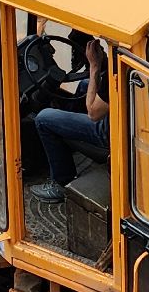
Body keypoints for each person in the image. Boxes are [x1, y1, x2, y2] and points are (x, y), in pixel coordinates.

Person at [28, 39, 108, 203]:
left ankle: (61, 182)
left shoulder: (117, 73)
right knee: (85, 85)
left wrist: (94, 65)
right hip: (125, 118)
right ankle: (67, 140)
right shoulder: (129, 59)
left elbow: (93, 112)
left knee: (44, 119)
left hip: (109, 131)